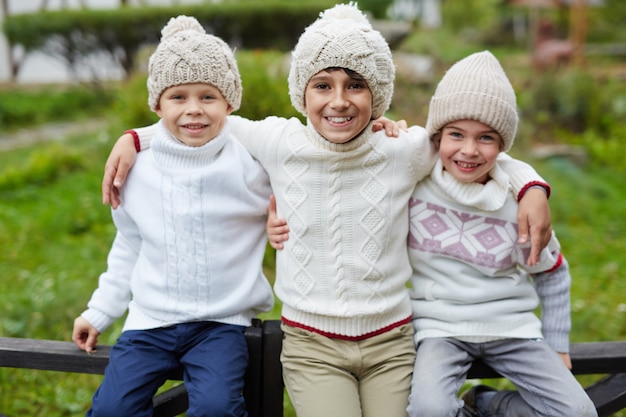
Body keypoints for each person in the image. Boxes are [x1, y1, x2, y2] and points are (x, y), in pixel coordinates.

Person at [100, 5, 553, 417]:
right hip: (311, 344)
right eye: (323, 85)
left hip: (390, 341)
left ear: (377, 95)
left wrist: (530, 184)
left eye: (355, 85)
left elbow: (469, 144)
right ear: (302, 92)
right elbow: (199, 117)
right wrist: (135, 137)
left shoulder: (404, 149)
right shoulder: (279, 142)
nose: (338, 101)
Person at [71, 15, 274, 417]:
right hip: (149, 322)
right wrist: (100, 311)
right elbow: (129, 244)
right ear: (157, 104)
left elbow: (310, 153)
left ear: (230, 103)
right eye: (178, 97)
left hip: (222, 324)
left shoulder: (252, 163)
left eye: (208, 97)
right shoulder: (137, 169)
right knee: (112, 410)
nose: (193, 110)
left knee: (217, 408)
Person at [404, 51, 597, 417]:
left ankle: (492, 402)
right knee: (429, 410)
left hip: (513, 329)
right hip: (440, 328)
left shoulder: (519, 204)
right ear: (437, 136)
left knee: (578, 413)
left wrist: (558, 345)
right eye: (456, 134)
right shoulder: (414, 188)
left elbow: (553, 274)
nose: (469, 150)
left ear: (503, 145)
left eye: (486, 138)